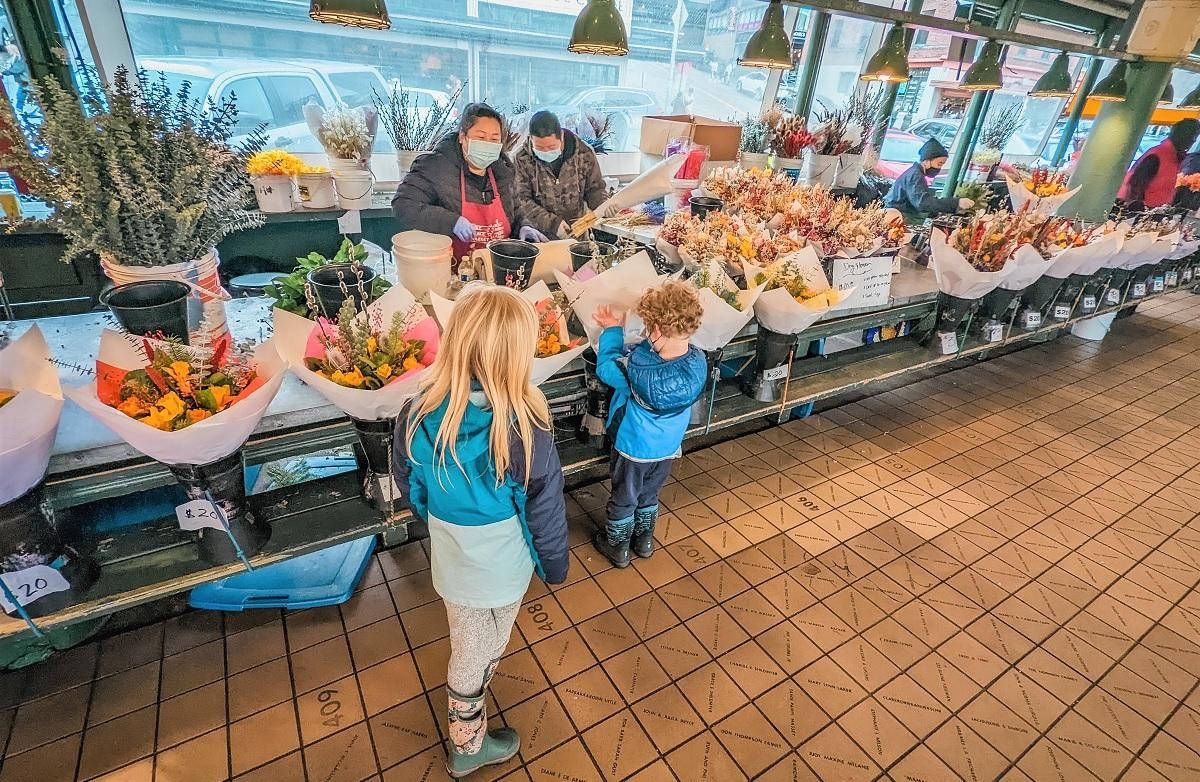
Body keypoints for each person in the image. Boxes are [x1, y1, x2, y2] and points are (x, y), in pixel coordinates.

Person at [393, 284, 568, 778]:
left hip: (452, 559)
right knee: (476, 654)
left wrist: (438, 525)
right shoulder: (523, 427)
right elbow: (544, 511)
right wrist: (553, 567)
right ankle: (467, 747)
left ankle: (474, 706)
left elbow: (412, 488)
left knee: (471, 637)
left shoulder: (418, 413)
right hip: (502, 568)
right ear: (515, 357)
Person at [590, 280, 708, 567]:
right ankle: (644, 539)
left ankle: (617, 545)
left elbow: (606, 368)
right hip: (668, 446)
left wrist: (613, 332)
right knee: (650, 492)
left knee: (625, 495)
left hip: (633, 445)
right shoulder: (699, 362)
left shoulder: (636, 372)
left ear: (655, 330)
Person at [392, 102, 547, 263]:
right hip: (450, 273)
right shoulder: (436, 167)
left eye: (494, 139)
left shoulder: (503, 172)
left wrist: (524, 226)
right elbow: (403, 205)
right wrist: (452, 222)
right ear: (462, 137)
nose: (488, 144)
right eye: (480, 137)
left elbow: (514, 212)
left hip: (496, 269)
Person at [513, 110, 607, 240]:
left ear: (561, 136)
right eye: (539, 148)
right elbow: (521, 200)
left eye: (551, 147)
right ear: (530, 138)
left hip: (576, 235)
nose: (546, 151)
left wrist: (604, 208)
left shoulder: (583, 153)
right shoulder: (521, 158)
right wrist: (553, 224)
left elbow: (595, 189)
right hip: (539, 237)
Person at [884, 137, 974, 221]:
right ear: (926, 161)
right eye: (939, 164)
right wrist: (955, 203)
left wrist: (935, 212)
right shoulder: (915, 175)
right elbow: (922, 203)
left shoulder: (915, 173)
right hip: (898, 217)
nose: (940, 168)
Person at [1120, 118, 1200, 210]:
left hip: (1155, 210)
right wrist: (1138, 207)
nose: (1193, 141)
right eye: (1193, 137)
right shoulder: (1158, 154)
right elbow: (1135, 183)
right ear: (1182, 136)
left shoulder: (1175, 157)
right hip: (1141, 211)